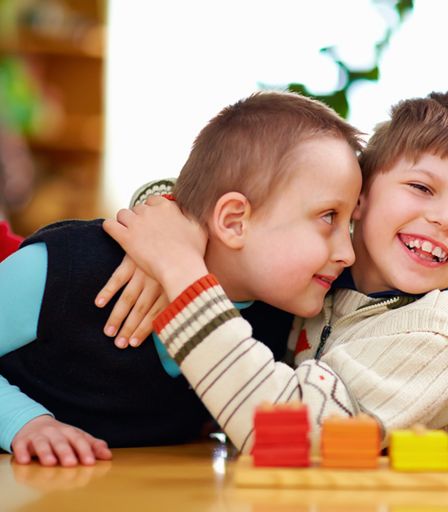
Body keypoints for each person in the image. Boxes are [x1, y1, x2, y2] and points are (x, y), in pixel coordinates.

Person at [104, 91, 448, 452]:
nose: (447, 220)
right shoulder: (321, 274)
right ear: (359, 196)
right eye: (422, 188)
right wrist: (167, 223)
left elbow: (286, 433)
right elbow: (241, 200)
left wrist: (178, 265)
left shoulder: (441, 343)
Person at [0, 90, 364, 466]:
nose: (347, 252)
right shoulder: (64, 267)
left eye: (350, 224)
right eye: (328, 217)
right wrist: (24, 423)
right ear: (234, 221)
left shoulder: (277, 323)